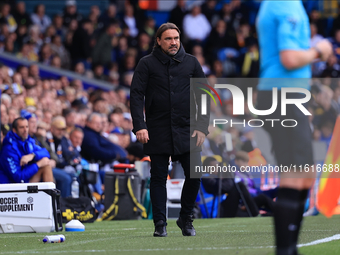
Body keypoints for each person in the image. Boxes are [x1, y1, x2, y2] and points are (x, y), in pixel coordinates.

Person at [256, 2, 333, 254]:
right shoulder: (284, 4)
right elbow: (289, 58)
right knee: (294, 174)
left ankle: (290, 247)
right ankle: (285, 249)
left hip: (291, 97)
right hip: (283, 96)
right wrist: (319, 50)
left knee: (306, 174)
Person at [130, 22, 209, 237]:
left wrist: (202, 126)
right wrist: (140, 125)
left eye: (176, 38)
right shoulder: (146, 64)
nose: (173, 42)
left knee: (195, 175)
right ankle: (160, 224)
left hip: (188, 129)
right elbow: (136, 95)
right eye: (168, 38)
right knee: (158, 178)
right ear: (158, 41)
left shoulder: (192, 63)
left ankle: (186, 218)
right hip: (157, 129)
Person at [0, 117, 53, 184]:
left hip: (25, 181)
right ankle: (51, 194)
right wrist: (38, 164)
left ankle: (52, 194)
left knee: (46, 165)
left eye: (27, 127)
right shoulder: (8, 149)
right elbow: (18, 177)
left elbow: (45, 152)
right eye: (22, 127)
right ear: (14, 130)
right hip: (12, 187)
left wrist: (32, 155)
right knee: (45, 165)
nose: (25, 130)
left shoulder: (28, 141)